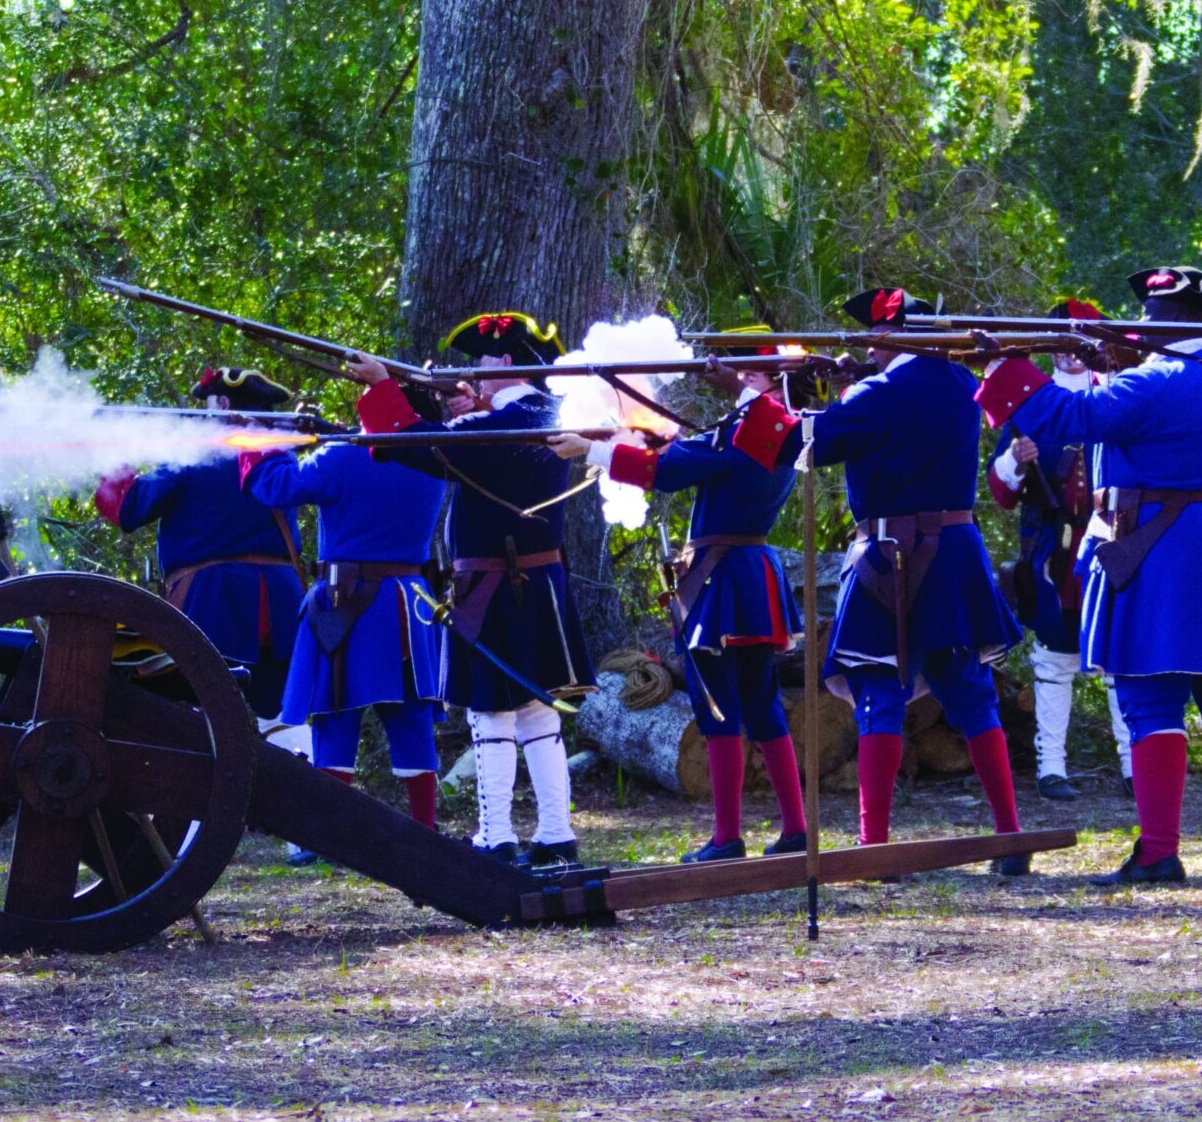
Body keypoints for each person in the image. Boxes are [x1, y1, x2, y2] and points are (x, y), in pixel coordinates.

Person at [978, 266, 1202, 885]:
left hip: (1166, 545)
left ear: (1174, 322)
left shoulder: (1161, 379)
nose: (1140, 324)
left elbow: (1068, 418)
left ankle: (1159, 852)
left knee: (1149, 694)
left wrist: (1002, 365)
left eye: (1151, 316)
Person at [740, 287, 1027, 872]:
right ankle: (1010, 837)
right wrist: (843, 386)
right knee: (972, 696)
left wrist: (754, 394)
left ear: (887, 336)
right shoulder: (956, 384)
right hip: (953, 551)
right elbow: (868, 426)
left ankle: (876, 847)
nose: (867, 348)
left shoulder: (881, 391)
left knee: (877, 697)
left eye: (874, 337)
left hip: (890, 556)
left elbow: (801, 443)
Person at [550, 345, 807, 863]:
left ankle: (727, 838)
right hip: (750, 577)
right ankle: (794, 829)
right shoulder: (770, 435)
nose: (738, 383)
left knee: (719, 710)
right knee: (761, 707)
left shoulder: (754, 432)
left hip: (724, 581)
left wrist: (593, 450)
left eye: (749, 374)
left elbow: (670, 472)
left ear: (770, 383)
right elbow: (687, 456)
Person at [351, 312, 590, 867]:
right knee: (535, 712)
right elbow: (451, 445)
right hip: (532, 582)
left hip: (495, 584)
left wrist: (384, 387)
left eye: (481, 362)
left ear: (504, 362)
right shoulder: (541, 414)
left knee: (491, 715)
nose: (472, 373)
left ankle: (496, 837)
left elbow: (415, 446)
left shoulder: (508, 425)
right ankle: (554, 834)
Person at [95, 366, 312, 773]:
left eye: (207, 404)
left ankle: (194, 825)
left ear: (224, 405)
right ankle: (310, 827)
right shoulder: (281, 452)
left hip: (214, 600)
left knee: (197, 711)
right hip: (280, 602)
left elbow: (127, 508)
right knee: (283, 715)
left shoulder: (198, 454)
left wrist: (113, 452)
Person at [241, 420, 450, 831]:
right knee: (412, 720)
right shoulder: (434, 457)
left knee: (334, 716)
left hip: (346, 600)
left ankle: (331, 832)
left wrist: (261, 441)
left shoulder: (341, 455)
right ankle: (425, 829)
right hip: (409, 602)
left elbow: (275, 487)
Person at [986, 298, 1118, 803]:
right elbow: (1001, 492)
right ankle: (1051, 768)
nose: (1069, 353)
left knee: (1115, 659)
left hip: (1111, 542)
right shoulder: (1028, 404)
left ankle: (1134, 766)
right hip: (1051, 552)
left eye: (1077, 341)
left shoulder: (1116, 394)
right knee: (1054, 659)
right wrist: (1016, 461)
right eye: (1059, 341)